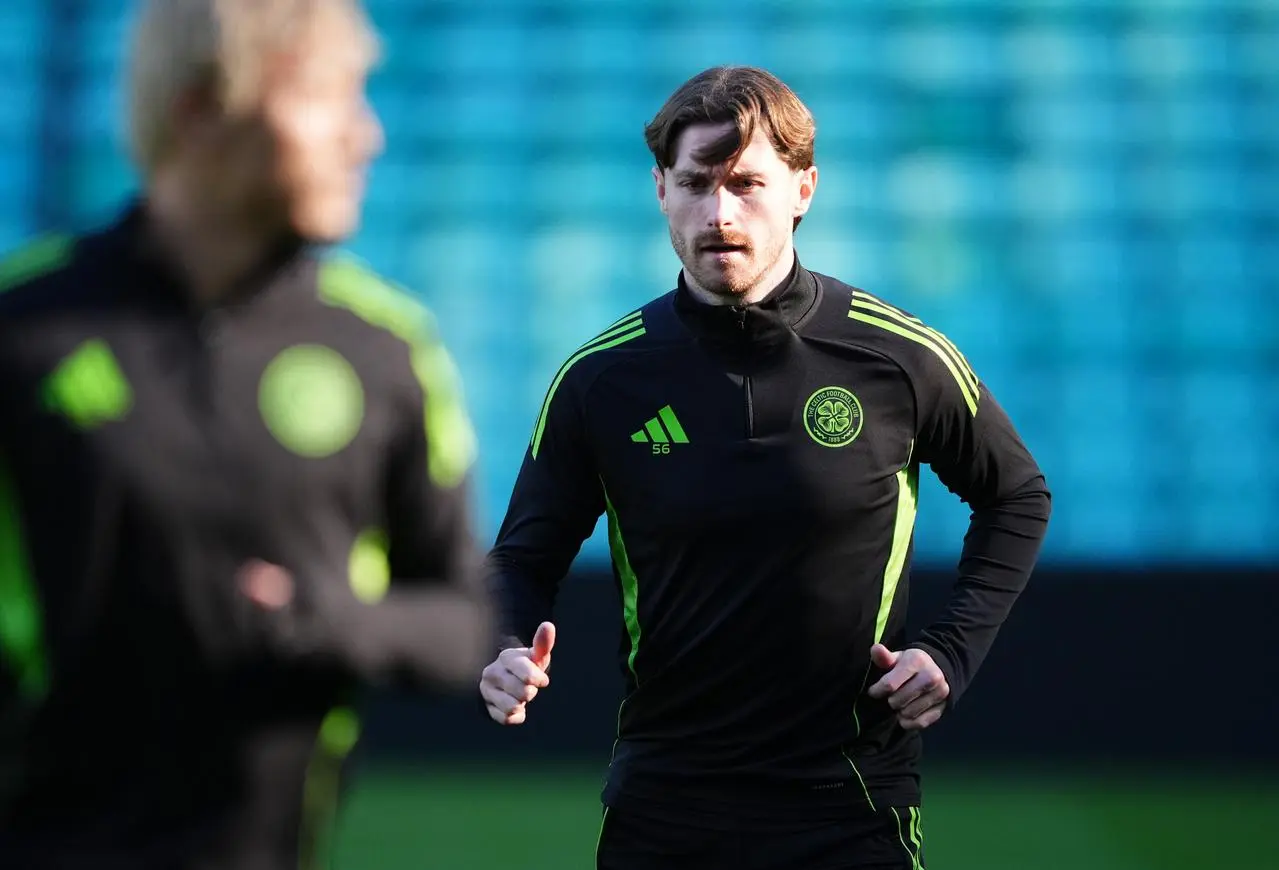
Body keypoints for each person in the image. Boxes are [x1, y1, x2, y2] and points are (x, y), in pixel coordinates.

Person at [481, 65, 1051, 870]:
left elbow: (1017, 495)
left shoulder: (896, 358)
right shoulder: (601, 380)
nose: (719, 213)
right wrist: (501, 646)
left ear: (803, 188)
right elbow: (519, 557)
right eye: (695, 184)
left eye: (746, 183)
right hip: (664, 805)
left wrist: (951, 651)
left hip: (848, 802)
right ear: (660, 191)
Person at [0, 1, 493, 868]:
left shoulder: (384, 349)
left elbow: (465, 620)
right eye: (331, 99)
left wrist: (327, 620)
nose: (365, 136)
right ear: (202, 109)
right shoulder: (23, 329)